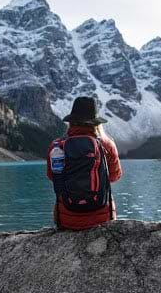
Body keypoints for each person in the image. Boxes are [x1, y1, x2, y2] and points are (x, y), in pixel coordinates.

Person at [47, 97, 122, 230]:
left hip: (66, 220)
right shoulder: (106, 144)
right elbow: (114, 176)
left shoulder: (56, 146)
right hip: (102, 220)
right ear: (96, 123)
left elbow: (53, 176)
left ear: (71, 122)